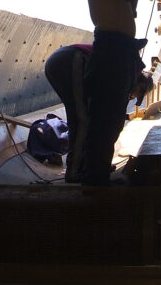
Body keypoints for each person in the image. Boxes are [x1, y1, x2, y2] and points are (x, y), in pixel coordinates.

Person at [79, 0, 161, 186]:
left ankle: (96, 172)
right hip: (111, 49)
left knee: (112, 112)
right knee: (106, 112)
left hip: (117, 48)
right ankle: (93, 178)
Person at [45, 43, 154, 183]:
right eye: (136, 93)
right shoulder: (129, 74)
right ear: (141, 84)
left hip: (61, 61)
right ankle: (74, 171)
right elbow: (115, 120)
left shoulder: (124, 74)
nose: (132, 96)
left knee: (86, 118)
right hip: (72, 59)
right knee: (81, 120)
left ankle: (88, 166)